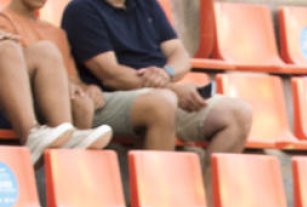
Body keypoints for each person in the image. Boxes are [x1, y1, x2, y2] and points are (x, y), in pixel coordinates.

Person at [61, 0, 251, 153]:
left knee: (238, 113)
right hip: (107, 98)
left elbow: (180, 54)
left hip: (160, 91)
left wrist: (166, 73)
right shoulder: (81, 9)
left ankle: (204, 190)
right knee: (162, 102)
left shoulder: (147, 4)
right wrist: (171, 89)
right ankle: (158, 189)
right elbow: (112, 75)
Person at [0, 0, 112, 164]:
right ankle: (30, 134)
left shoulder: (56, 33)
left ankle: (65, 133)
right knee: (7, 49)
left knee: (47, 51)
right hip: (16, 94)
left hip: (34, 94)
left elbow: (74, 79)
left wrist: (86, 88)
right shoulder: (4, 18)